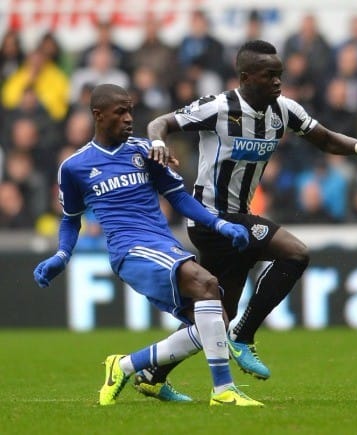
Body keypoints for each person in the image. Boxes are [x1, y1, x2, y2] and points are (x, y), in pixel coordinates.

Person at [146, 40, 357, 382]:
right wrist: (159, 143)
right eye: (271, 75)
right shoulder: (219, 107)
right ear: (246, 77)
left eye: (280, 75)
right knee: (295, 253)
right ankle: (244, 336)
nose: (278, 82)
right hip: (209, 217)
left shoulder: (285, 110)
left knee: (216, 314)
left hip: (238, 218)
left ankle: (153, 372)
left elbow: (324, 139)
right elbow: (160, 122)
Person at [32, 84, 263, 407]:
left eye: (131, 111)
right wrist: (61, 254)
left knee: (214, 324)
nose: (129, 118)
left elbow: (178, 197)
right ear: (98, 115)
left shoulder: (145, 149)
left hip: (163, 244)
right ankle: (223, 390)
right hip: (130, 250)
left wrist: (219, 223)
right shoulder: (75, 166)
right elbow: (71, 218)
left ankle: (125, 366)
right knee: (207, 284)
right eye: (120, 112)